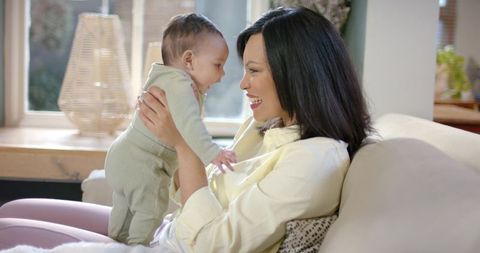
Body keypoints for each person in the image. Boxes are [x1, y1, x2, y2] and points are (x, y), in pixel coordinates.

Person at [0, 7, 372, 253]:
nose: (242, 85)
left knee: (10, 234)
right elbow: (196, 186)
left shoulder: (316, 161)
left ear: (299, 74)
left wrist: (181, 144)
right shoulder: (267, 127)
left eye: (254, 71)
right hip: (167, 226)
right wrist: (160, 138)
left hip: (175, 246)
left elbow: (212, 243)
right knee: (17, 208)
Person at [104, 13, 235, 245]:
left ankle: (114, 242)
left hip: (121, 155)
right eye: (218, 65)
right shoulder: (181, 85)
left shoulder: (163, 77)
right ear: (189, 61)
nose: (222, 75)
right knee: (152, 210)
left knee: (124, 211)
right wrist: (213, 152)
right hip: (142, 164)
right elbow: (190, 126)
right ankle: (136, 248)